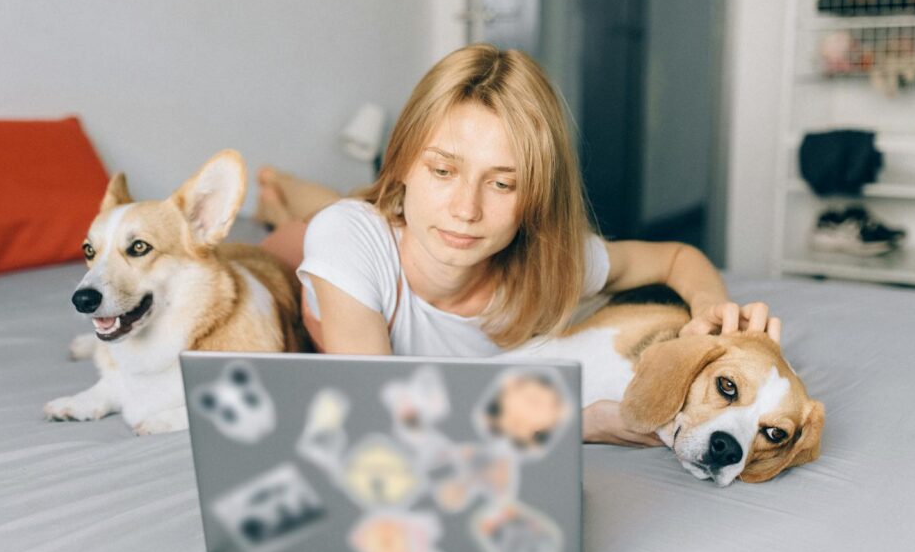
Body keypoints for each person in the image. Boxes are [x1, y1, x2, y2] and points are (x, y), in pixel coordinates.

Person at [256, 43, 782, 448]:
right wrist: (581, 423)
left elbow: (676, 258)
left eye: (503, 184)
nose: (467, 209)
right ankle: (277, 191)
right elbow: (379, 419)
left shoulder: (551, 265)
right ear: (401, 164)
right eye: (442, 170)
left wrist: (713, 311)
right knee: (321, 215)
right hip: (318, 270)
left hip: (392, 226)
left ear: (535, 198)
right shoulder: (349, 237)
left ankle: (288, 193)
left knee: (356, 209)